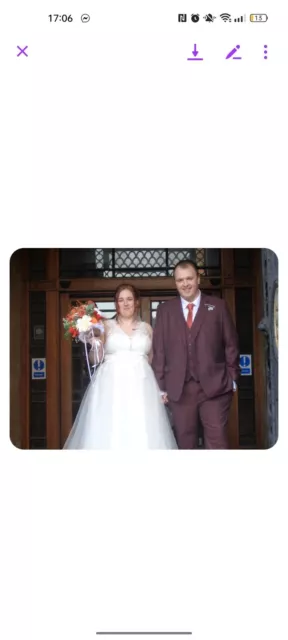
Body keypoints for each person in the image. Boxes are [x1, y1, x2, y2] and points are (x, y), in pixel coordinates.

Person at [63, 284, 177, 449]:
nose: (125, 303)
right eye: (121, 300)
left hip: (142, 386)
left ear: (136, 302)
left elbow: (154, 361)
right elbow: (95, 359)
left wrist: (162, 388)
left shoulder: (147, 328)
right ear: (116, 303)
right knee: (111, 427)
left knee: (142, 428)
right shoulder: (105, 326)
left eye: (129, 299)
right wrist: (92, 342)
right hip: (112, 385)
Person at [152, 260, 240, 449]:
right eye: (180, 280)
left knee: (217, 442)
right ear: (175, 282)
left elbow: (231, 344)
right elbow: (159, 350)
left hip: (216, 387)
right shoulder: (165, 311)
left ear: (198, 278)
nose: (185, 284)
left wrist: (232, 378)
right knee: (185, 444)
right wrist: (161, 386)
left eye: (189, 278)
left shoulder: (218, 306)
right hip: (179, 390)